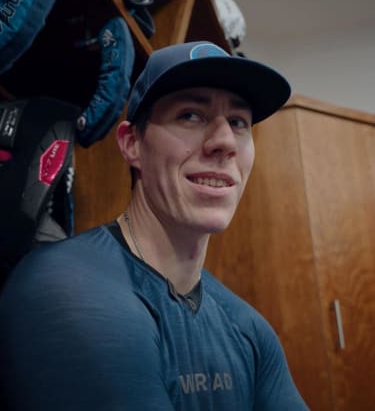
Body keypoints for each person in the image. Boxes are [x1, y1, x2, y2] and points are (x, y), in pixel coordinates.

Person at [0, 41, 308, 410]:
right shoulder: (65, 289)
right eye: (191, 115)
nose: (225, 141)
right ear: (132, 144)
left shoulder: (246, 328)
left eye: (239, 122)